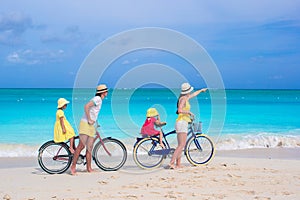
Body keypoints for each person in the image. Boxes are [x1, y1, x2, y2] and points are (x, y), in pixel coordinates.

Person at [70, 84, 108, 175]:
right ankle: (73, 166)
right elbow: (86, 106)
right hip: (85, 124)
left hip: (91, 125)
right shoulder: (97, 99)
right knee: (81, 146)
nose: (107, 92)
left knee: (89, 148)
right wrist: (89, 119)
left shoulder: (99, 100)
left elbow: (93, 112)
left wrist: (95, 123)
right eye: (106, 91)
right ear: (102, 92)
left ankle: (89, 168)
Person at [168, 83, 207, 169]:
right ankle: (171, 163)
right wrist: (189, 112)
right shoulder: (183, 99)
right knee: (181, 145)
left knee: (180, 145)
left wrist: (201, 90)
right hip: (182, 122)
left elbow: (193, 95)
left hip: (182, 122)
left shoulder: (184, 98)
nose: (191, 92)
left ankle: (178, 164)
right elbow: (179, 110)